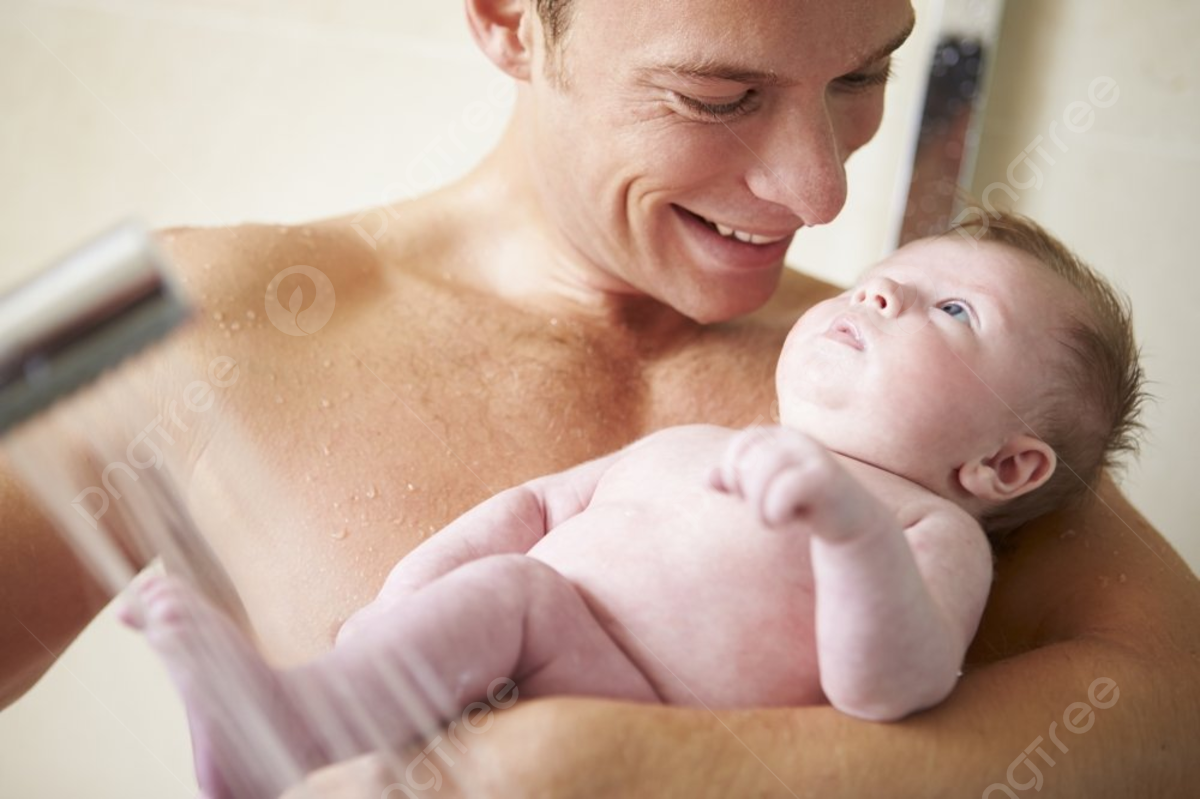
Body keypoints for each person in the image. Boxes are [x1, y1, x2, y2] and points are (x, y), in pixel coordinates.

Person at [0, 1, 1196, 796]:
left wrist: (655, 769)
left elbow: (1179, 711)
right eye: (719, 95)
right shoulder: (139, 304)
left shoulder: (933, 409)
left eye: (863, 73)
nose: (821, 189)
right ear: (509, 18)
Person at [118, 213, 1148, 799]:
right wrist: (401, 604)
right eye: (885, 279)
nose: (879, 295)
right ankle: (292, 723)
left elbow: (895, 687)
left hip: (644, 713)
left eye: (954, 311)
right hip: (525, 643)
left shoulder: (932, 529)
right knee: (506, 587)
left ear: (1005, 467)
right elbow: (531, 507)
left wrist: (846, 529)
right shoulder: (703, 444)